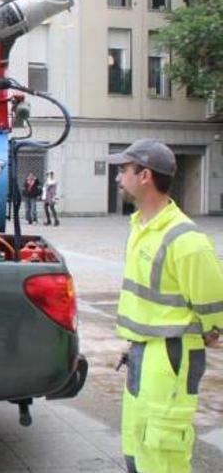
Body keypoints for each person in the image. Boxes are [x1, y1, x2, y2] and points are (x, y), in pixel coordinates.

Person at [106, 139, 223, 473]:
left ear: (145, 176)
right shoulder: (140, 227)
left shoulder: (185, 239)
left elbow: (214, 304)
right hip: (142, 349)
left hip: (171, 353)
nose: (118, 176)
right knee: (137, 442)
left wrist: (212, 330)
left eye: (124, 169)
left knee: (163, 447)